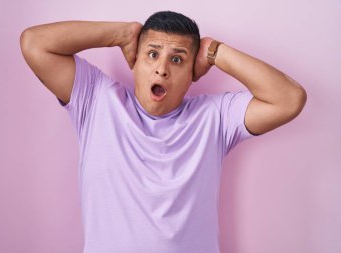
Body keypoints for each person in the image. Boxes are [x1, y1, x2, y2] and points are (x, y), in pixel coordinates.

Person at [20, 11, 306, 253]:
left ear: (194, 72)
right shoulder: (96, 99)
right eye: (152, 54)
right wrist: (121, 34)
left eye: (177, 60)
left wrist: (215, 51)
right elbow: (34, 43)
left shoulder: (215, 117)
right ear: (134, 60)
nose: (161, 69)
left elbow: (289, 99)